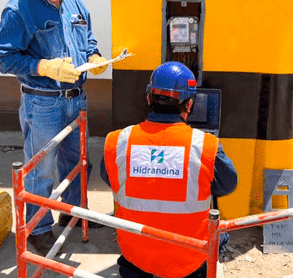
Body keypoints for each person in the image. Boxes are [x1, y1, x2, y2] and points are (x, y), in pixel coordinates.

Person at [0, 0, 109, 255]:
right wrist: (43, 66)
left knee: (78, 161)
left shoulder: (75, 4)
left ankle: (73, 211)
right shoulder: (19, 10)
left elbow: (88, 39)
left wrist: (95, 57)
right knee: (42, 166)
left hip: (76, 98)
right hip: (42, 102)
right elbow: (2, 56)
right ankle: (38, 228)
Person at [101, 61, 238, 278]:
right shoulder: (205, 145)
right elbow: (228, 184)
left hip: (136, 251)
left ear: (148, 98)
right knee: (220, 233)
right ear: (189, 105)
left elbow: (110, 178)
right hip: (189, 256)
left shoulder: (117, 141)